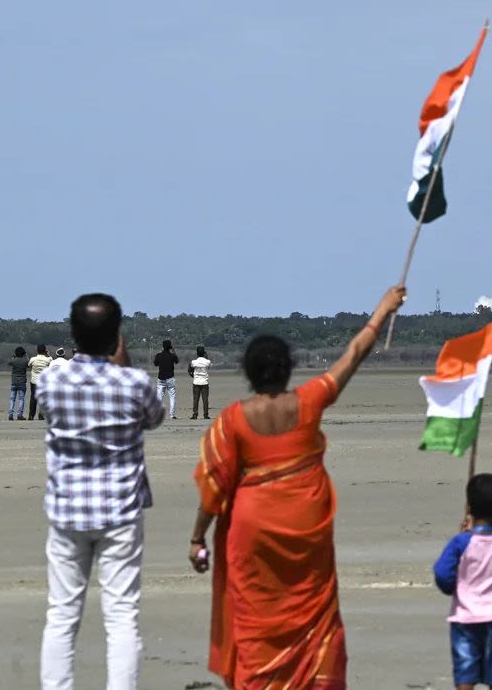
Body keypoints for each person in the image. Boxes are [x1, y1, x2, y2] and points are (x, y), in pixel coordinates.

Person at [188, 285, 406, 689]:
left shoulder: (232, 420)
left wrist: (197, 539)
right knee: (314, 615)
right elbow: (354, 353)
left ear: (249, 374)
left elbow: (215, 490)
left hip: (251, 532)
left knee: (255, 619)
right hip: (306, 529)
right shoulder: (309, 401)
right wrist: (382, 310)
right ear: (288, 369)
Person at [37, 293, 165, 690]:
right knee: (122, 616)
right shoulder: (134, 383)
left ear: (74, 334)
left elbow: (48, 411)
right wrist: (121, 363)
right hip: (120, 511)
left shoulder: (51, 381)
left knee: (61, 615)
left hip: (67, 509)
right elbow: (154, 418)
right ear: (116, 337)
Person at [434, 474, 492, 690]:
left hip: (466, 617)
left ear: (468, 507)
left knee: (465, 671)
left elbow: (442, 573)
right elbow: (490, 543)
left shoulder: (460, 543)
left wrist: (451, 587)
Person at [153, 339, 179, 419]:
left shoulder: (159, 355)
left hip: (161, 378)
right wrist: (174, 351)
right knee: (172, 397)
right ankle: (172, 415)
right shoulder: (172, 355)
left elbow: (155, 364)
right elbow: (177, 361)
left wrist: (160, 352)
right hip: (170, 378)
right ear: (170, 347)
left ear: (163, 347)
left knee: (159, 396)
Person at [28, 344, 53, 421]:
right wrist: (48, 355)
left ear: (37, 350)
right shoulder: (48, 359)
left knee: (33, 398)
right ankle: (41, 415)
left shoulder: (33, 359)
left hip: (34, 381)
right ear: (45, 351)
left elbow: (29, 365)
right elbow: (51, 363)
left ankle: (31, 415)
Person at [188, 346, 212, 420]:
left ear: (197, 353)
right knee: (205, 399)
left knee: (196, 399)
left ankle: (195, 414)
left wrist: (193, 375)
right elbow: (209, 366)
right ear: (204, 353)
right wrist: (206, 356)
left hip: (196, 382)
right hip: (204, 382)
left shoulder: (194, 362)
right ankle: (206, 415)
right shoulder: (207, 362)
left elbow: (190, 369)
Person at [7, 346, 29, 420]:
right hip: (22, 382)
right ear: (23, 354)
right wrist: (26, 356)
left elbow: (9, 362)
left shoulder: (14, 360)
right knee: (21, 399)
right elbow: (29, 364)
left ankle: (10, 414)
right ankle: (20, 414)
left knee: (12, 399)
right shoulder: (25, 361)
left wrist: (13, 357)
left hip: (14, 381)